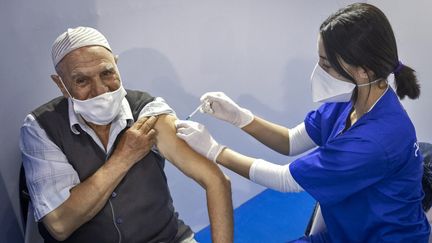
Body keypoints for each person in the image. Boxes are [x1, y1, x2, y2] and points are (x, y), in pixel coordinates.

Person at [175, 3, 430, 242]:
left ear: (363, 70)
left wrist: (214, 151)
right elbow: (291, 141)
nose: (318, 73)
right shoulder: (350, 99)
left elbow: (287, 180)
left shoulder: (378, 138)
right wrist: (240, 117)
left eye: (327, 65)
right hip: (341, 232)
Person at [19, 26, 233, 243]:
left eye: (107, 73)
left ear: (117, 65)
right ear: (61, 85)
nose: (101, 89)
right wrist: (124, 156)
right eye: (81, 80)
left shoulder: (146, 110)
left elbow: (216, 180)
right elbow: (60, 225)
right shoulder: (40, 128)